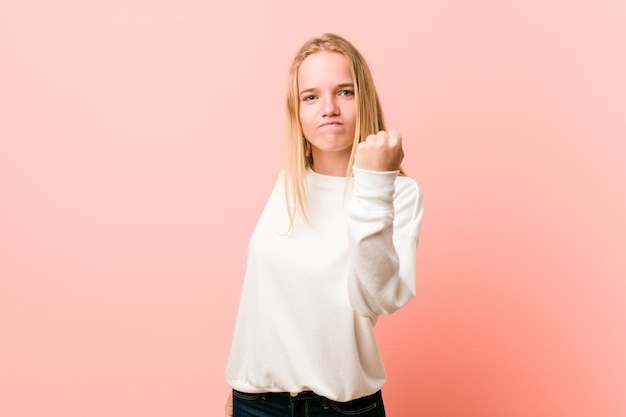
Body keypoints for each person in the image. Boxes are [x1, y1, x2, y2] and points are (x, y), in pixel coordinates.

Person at [224, 33, 424, 417]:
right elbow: (264, 299)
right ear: (296, 112)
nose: (329, 108)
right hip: (256, 404)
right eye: (311, 96)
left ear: (363, 99)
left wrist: (373, 183)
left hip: (340, 409)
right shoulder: (288, 182)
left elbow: (375, 298)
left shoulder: (399, 193)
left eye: (345, 92)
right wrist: (241, 388)